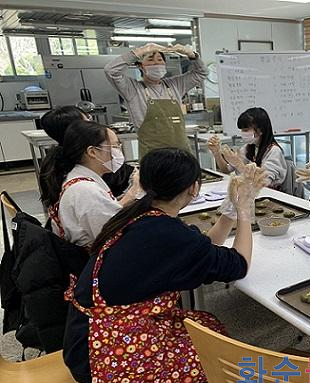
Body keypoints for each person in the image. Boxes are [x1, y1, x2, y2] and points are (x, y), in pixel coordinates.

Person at [63, 148, 266, 383]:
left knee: (207, 325)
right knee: (214, 358)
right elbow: (239, 265)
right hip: (101, 359)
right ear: (193, 188)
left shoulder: (140, 215)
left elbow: (202, 249)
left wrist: (230, 210)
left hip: (87, 337)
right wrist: (245, 211)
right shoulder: (168, 234)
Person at [40, 120, 139, 248]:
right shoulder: (85, 190)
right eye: (114, 146)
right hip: (95, 256)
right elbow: (112, 236)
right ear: (92, 152)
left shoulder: (80, 178)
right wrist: (134, 191)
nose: (119, 152)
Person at [105, 43, 206, 157]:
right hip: (153, 158)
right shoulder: (133, 88)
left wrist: (192, 56)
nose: (156, 63)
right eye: (150, 59)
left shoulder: (175, 85)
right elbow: (111, 71)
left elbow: (202, 72)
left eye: (159, 60)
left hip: (182, 155)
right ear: (140, 66)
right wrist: (138, 52)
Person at [40, 105, 136, 197]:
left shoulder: (54, 162)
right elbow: (107, 206)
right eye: (88, 120)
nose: (93, 124)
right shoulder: (88, 175)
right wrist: (131, 194)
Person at [208, 107, 287, 189]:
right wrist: (216, 152)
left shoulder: (274, 151)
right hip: (247, 191)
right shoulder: (248, 147)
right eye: (242, 130)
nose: (243, 133)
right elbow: (226, 170)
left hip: (267, 193)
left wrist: (238, 164)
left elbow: (262, 182)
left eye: (246, 130)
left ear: (260, 130)